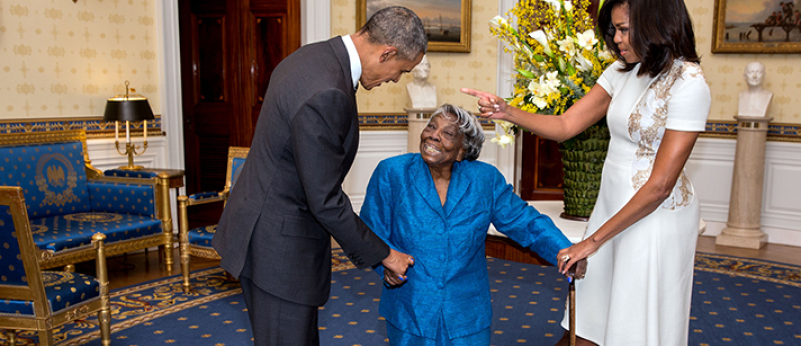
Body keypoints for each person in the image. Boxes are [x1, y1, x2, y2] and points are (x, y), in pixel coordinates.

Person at [462, 0, 711, 344]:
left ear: (657, 24)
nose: (616, 38)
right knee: (591, 309)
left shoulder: (689, 83)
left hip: (655, 218)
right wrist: (507, 112)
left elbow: (660, 186)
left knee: (633, 319)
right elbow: (566, 125)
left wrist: (589, 243)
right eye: (614, 29)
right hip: (611, 203)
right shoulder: (622, 71)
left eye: (624, 29)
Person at [212, 7, 427, 345]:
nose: (395, 80)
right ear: (387, 52)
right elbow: (325, 201)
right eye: (401, 70)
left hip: (262, 230)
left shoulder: (311, 56)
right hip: (279, 252)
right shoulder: (327, 91)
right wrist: (385, 254)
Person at [360, 104, 575, 346]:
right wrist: (385, 263)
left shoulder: (484, 180)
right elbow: (369, 229)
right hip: (410, 307)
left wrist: (564, 250)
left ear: (462, 150)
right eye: (431, 126)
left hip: (467, 314)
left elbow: (525, 222)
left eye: (447, 134)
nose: (433, 135)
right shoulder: (392, 172)